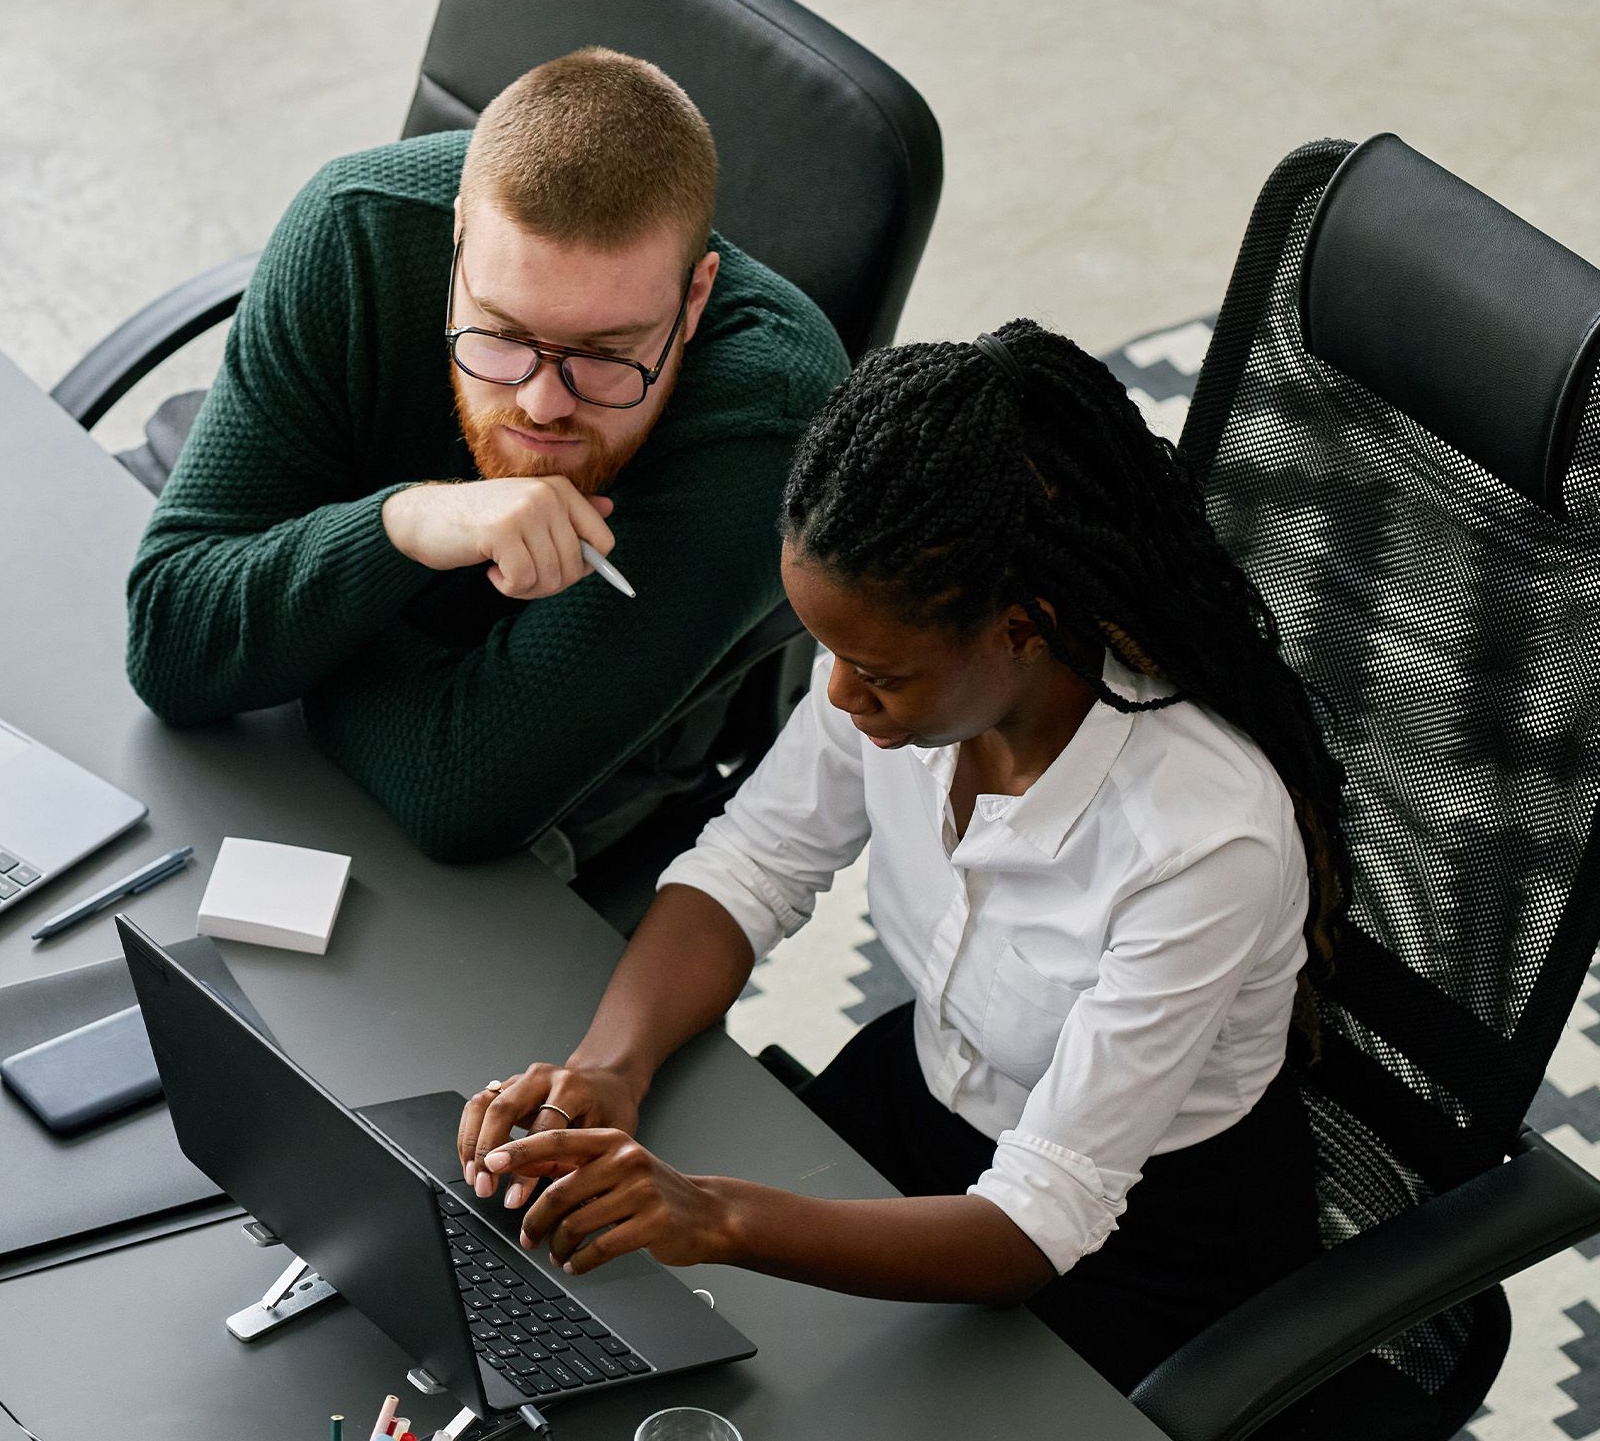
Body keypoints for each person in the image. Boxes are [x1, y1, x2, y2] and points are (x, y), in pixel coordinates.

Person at [452, 324, 1349, 1392]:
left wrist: (715, 1214)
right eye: (829, 651)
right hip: (925, 1099)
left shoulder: (1204, 841)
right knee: (648, 1348)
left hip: (1137, 1247)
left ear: (1027, 628)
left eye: (877, 671)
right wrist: (608, 1067)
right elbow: (752, 867)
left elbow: (1038, 1219)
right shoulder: (902, 677)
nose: (837, 695)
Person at [124, 48, 849, 865]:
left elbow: (456, 788)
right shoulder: (355, 224)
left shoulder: (776, 408)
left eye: (607, 354)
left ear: (694, 296)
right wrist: (402, 524)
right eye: (502, 336)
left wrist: (288, 640)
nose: (543, 404)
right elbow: (170, 639)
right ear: (459, 237)